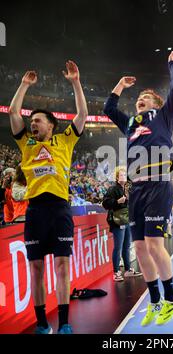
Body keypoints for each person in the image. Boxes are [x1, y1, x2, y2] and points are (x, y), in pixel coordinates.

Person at [104, 50, 173, 326]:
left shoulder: (163, 115)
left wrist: (172, 65)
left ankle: (172, 299)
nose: (140, 99)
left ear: (156, 103)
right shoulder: (130, 124)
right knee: (138, 249)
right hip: (136, 188)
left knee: (153, 243)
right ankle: (154, 301)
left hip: (159, 183)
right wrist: (120, 86)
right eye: (139, 98)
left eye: (145, 97)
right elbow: (108, 109)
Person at [9, 61, 88, 334]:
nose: (32, 124)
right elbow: (13, 112)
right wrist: (24, 85)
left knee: (63, 265)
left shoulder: (65, 140)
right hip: (36, 211)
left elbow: (82, 114)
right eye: (31, 122)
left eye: (38, 121)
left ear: (51, 125)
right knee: (36, 268)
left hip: (60, 209)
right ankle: (42, 324)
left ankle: (65, 323)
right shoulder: (26, 143)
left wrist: (76, 82)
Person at [102, 166, 142, 281]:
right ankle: (116, 272)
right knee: (118, 247)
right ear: (117, 177)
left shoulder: (127, 189)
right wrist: (117, 201)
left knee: (127, 246)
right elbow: (105, 204)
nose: (123, 177)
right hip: (117, 221)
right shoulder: (113, 189)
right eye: (121, 175)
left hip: (127, 219)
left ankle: (128, 270)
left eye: (125, 175)